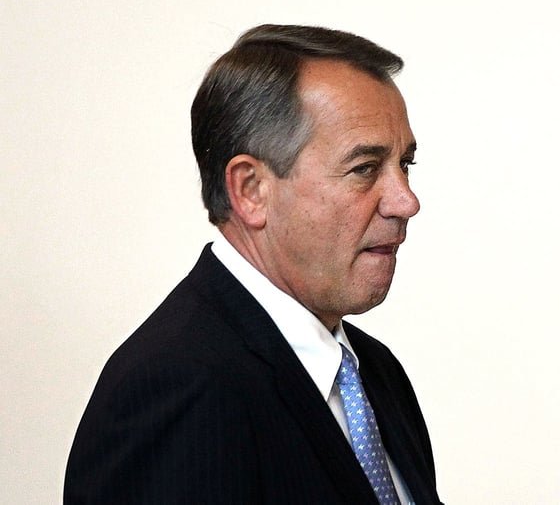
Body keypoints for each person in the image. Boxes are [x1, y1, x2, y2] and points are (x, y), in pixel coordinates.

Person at [65, 25, 442, 504]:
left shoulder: (376, 373)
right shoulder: (179, 387)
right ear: (250, 190)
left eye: (405, 165)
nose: (406, 201)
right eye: (364, 168)